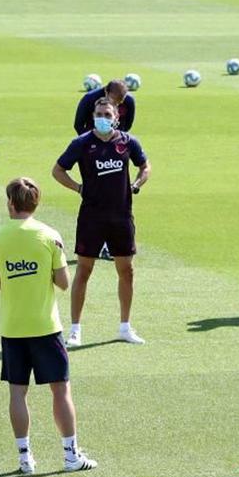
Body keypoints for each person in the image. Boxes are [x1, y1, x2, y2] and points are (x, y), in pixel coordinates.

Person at [0, 177, 97, 473]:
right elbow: (63, 283)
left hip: (12, 328)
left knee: (17, 393)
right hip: (46, 327)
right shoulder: (49, 236)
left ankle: (25, 459)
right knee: (61, 391)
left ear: (11, 203)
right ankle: (71, 455)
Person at [52, 98, 151, 348]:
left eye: (107, 114)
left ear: (116, 117)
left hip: (121, 217)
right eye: (99, 114)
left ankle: (125, 327)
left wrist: (137, 184)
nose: (103, 118)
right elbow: (58, 171)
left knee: (126, 271)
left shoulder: (128, 142)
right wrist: (79, 188)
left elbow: (145, 166)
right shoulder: (82, 143)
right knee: (84, 270)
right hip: (91, 217)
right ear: (93, 116)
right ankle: (75, 330)